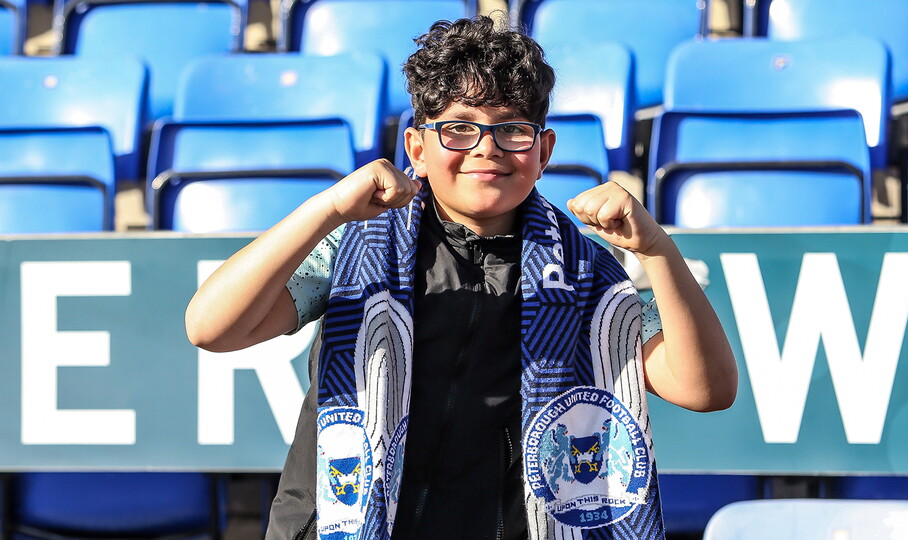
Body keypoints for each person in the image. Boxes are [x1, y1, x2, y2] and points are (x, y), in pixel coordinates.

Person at [185, 15, 737, 540]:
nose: (486, 148)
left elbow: (705, 389)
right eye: (459, 129)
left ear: (543, 151)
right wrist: (328, 209)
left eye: (512, 130)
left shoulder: (586, 272)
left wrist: (658, 249)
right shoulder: (350, 248)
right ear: (417, 149)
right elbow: (212, 328)